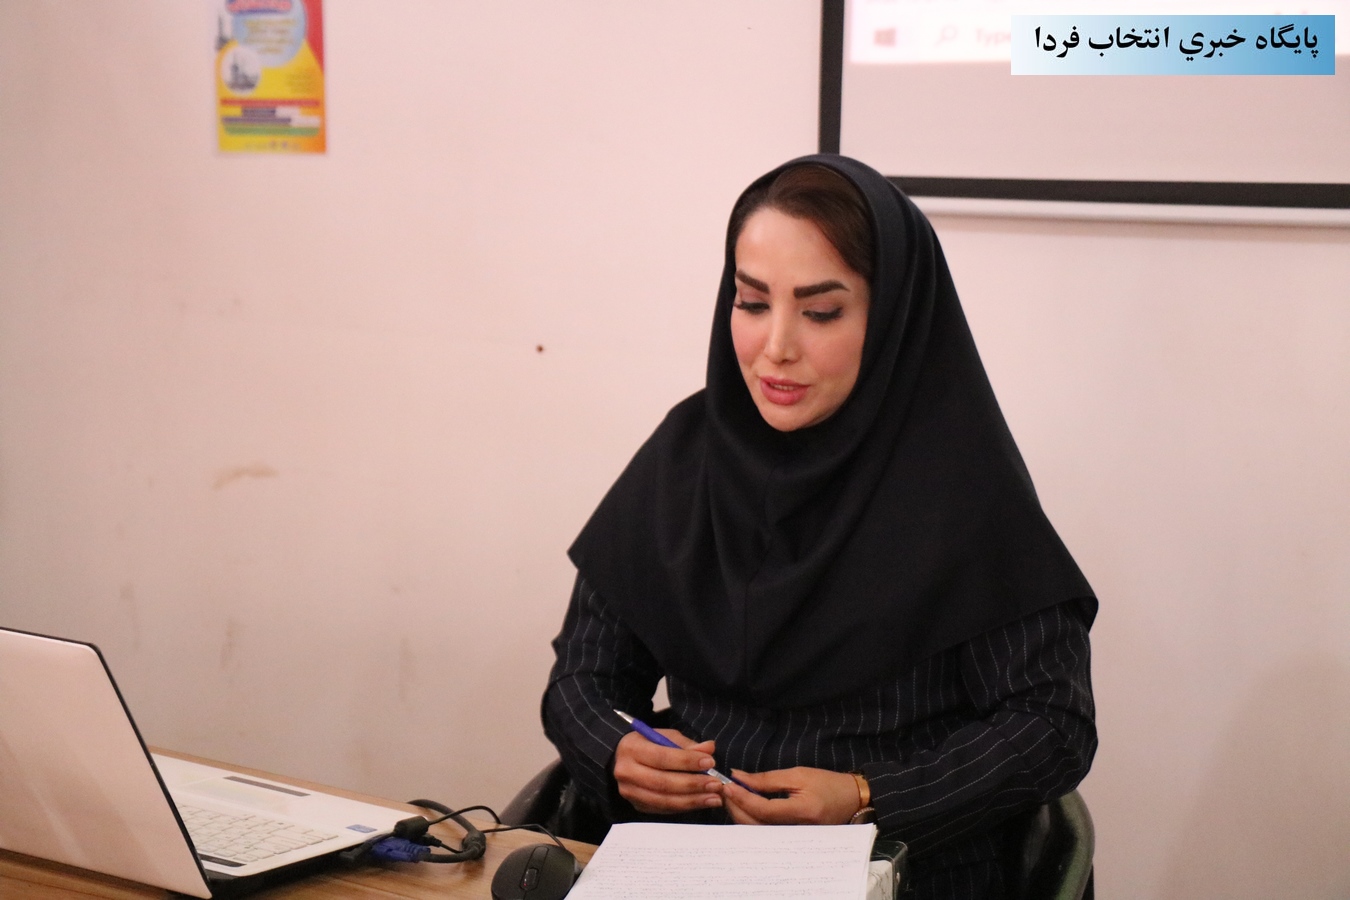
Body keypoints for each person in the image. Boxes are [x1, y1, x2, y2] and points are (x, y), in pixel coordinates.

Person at [541, 155, 1097, 899]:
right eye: (751, 302)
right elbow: (583, 675)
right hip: (686, 864)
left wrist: (868, 797)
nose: (777, 346)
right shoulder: (687, 457)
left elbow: (1052, 724)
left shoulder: (962, 487)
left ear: (892, 316)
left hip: (898, 869)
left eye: (821, 312)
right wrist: (615, 749)